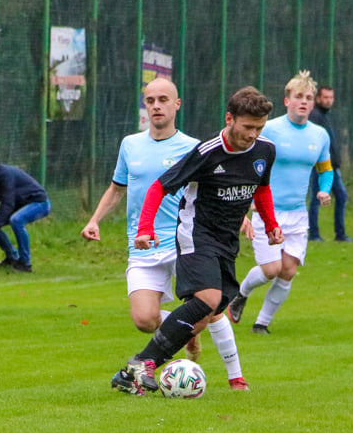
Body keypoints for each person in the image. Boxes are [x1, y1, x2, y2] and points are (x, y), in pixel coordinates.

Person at [81, 78, 250, 391]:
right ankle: (185, 327)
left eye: (163, 100)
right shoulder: (130, 145)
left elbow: (224, 189)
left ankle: (236, 377)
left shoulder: (195, 148)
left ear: (177, 105)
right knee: (144, 320)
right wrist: (95, 220)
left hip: (184, 239)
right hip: (142, 242)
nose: (156, 106)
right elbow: (117, 189)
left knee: (211, 307)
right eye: (150, 100)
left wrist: (241, 217)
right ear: (144, 105)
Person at [112, 86, 283, 395]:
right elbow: (158, 188)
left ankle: (133, 370)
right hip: (196, 234)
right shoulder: (208, 152)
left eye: (259, 128)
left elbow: (262, 188)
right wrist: (144, 229)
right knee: (207, 298)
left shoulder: (265, 151)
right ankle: (145, 361)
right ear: (230, 119)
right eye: (247, 127)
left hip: (227, 241)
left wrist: (270, 225)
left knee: (212, 306)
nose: (253, 134)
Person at [228, 71, 333, 335]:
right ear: (287, 101)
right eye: (298, 96)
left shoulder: (320, 135)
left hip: (297, 214)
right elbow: (248, 161)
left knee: (288, 270)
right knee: (271, 269)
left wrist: (324, 190)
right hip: (268, 211)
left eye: (309, 97)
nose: (304, 101)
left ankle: (261, 323)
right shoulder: (270, 129)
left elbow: (326, 168)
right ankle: (241, 292)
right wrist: (247, 199)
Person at [308, 85, 353, 242]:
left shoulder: (327, 116)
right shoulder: (315, 116)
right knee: (317, 199)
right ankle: (314, 234)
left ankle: (340, 234)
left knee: (341, 196)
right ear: (318, 98)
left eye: (331, 97)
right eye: (325, 97)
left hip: (332, 165)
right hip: (320, 166)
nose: (329, 100)